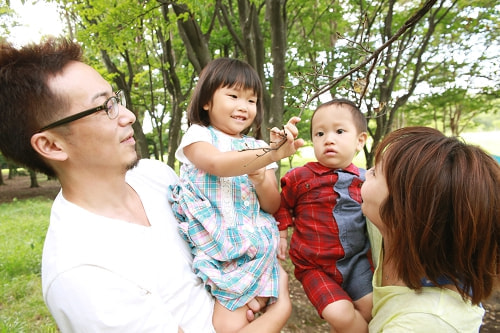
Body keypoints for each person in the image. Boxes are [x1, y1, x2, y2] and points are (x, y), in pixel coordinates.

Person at [0, 38, 293, 332]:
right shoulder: (83, 275)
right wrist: (280, 309)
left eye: (116, 99)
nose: (129, 115)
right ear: (51, 144)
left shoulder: (156, 176)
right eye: (104, 107)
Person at [167, 57, 304, 332]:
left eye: (251, 100)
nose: (243, 106)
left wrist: (260, 178)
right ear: (206, 101)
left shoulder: (257, 146)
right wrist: (269, 154)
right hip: (218, 246)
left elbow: (272, 204)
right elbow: (217, 164)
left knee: (229, 324)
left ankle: (271, 293)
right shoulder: (199, 136)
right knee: (230, 323)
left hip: (253, 244)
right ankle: (273, 297)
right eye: (233, 96)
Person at [361, 126, 500, 332]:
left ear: (402, 211)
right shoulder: (390, 232)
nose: (364, 174)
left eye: (375, 172)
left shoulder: (427, 322)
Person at [274, 99, 373, 333]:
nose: (329, 139)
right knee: (340, 314)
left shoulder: (367, 180)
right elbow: (281, 205)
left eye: (339, 131)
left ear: (360, 141)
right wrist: (282, 234)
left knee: (370, 307)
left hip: (356, 260)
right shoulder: (301, 177)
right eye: (319, 133)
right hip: (314, 266)